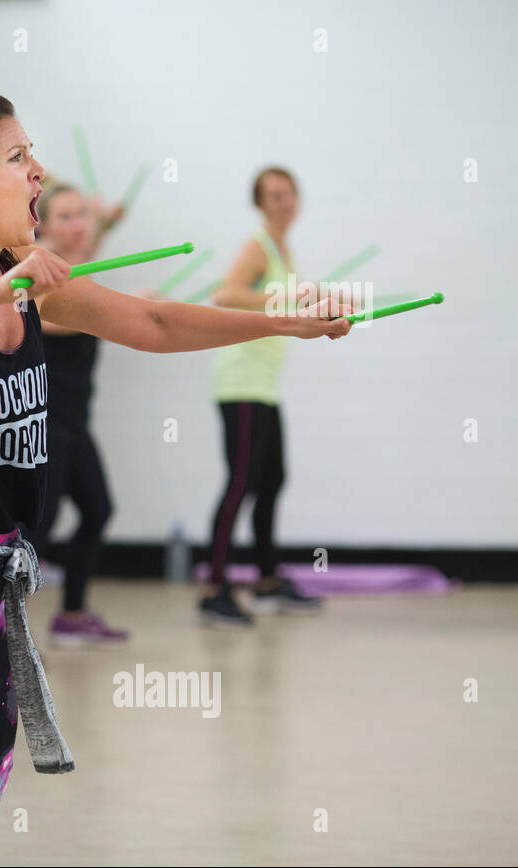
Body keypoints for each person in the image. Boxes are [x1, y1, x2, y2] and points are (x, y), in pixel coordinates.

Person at [0, 93, 351, 866]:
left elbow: (154, 323)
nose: (37, 169)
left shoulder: (25, 278)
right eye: (17, 158)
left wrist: (286, 320)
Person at [201, 167, 325, 625]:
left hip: (265, 387)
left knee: (271, 481)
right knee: (240, 484)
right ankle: (214, 589)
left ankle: (268, 582)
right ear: (260, 202)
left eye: (289, 192)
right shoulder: (258, 245)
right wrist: (287, 299)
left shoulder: (280, 248)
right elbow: (225, 294)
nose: (284, 201)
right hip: (242, 385)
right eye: (274, 195)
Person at [30, 180, 127, 642]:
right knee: (38, 527)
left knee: (97, 508)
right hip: (45, 416)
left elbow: (89, 246)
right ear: (43, 223)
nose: (78, 224)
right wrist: (121, 314)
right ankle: (7, 638)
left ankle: (71, 616)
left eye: (83, 214)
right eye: (66, 216)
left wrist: (106, 223)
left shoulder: (76, 262)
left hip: (74, 415)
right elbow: (33, 319)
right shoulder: (37, 268)